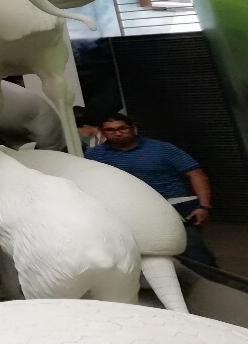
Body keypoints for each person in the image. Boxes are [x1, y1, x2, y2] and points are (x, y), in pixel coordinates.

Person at [84, 114, 218, 266]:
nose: (118, 133)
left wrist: (204, 206)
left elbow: (196, 174)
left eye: (122, 128)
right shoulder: (94, 155)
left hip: (172, 207)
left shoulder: (163, 149)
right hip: (126, 211)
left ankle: (212, 277)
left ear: (133, 128)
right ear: (102, 132)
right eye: (110, 130)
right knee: (140, 253)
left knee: (191, 248)